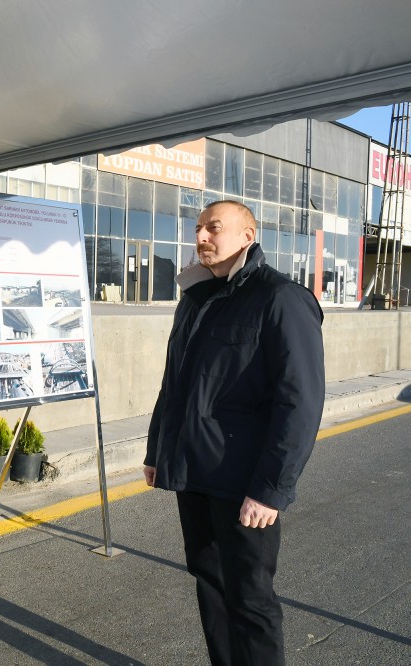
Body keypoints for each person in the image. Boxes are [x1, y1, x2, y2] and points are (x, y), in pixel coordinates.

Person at [144, 200, 324, 666]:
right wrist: (157, 450)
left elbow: (300, 402)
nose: (202, 236)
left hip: (245, 482)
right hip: (195, 473)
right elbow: (174, 384)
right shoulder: (194, 299)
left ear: (248, 235)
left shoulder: (280, 298)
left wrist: (270, 489)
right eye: (198, 228)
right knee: (210, 583)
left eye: (214, 228)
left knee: (250, 598)